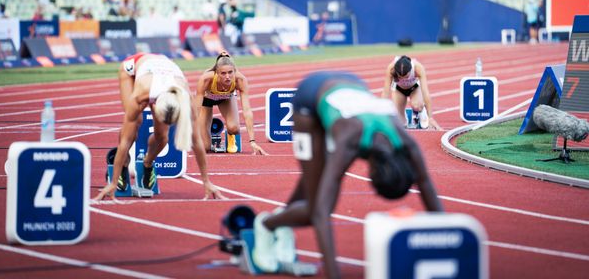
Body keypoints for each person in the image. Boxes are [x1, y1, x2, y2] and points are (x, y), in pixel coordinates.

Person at [251, 71, 443, 278]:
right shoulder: (349, 143)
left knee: (314, 180)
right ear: (372, 171)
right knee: (313, 207)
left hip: (351, 83)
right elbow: (321, 214)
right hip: (309, 98)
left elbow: (425, 184)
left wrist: (448, 242)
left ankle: (284, 221)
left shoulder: (407, 143)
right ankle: (265, 224)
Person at [94, 53, 224, 200]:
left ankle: (147, 163)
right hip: (132, 69)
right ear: (155, 106)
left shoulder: (185, 98)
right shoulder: (140, 95)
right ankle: (123, 164)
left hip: (162, 69)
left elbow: (197, 142)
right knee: (134, 124)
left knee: (162, 137)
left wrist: (207, 182)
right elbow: (125, 141)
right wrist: (112, 183)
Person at [194, 51, 267, 155]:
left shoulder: (240, 80)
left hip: (226, 98)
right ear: (216, 73)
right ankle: (208, 131)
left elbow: (247, 111)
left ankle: (230, 137)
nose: (227, 76)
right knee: (205, 147)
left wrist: (252, 141)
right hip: (206, 101)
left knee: (234, 128)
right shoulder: (206, 79)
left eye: (230, 72)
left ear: (234, 71)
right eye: (223, 73)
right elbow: (196, 108)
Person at [381, 55, 442, 130]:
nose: (403, 79)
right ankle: (406, 117)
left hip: (414, 88)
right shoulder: (391, 69)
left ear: (410, 70)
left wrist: (430, 117)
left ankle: (419, 113)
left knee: (417, 105)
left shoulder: (418, 68)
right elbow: (386, 92)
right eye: (400, 77)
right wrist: (381, 114)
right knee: (400, 122)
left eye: (406, 77)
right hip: (398, 89)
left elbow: (425, 93)